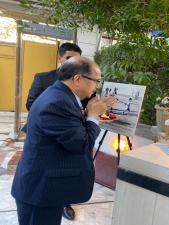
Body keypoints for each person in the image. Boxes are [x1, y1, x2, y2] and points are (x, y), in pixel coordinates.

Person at [11, 56, 117, 225]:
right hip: (41, 192)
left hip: (45, 186)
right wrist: (93, 116)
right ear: (77, 79)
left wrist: (88, 114)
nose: (97, 86)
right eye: (96, 81)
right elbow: (83, 144)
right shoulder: (58, 102)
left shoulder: (59, 94)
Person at [23, 43, 84, 220]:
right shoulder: (43, 78)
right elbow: (31, 103)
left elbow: (84, 105)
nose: (73, 62)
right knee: (42, 171)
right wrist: (58, 113)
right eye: (69, 58)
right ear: (59, 58)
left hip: (69, 132)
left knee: (64, 170)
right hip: (44, 133)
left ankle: (65, 202)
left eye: (77, 59)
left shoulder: (80, 80)